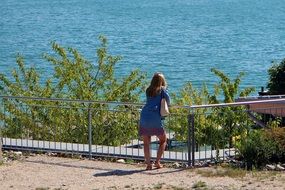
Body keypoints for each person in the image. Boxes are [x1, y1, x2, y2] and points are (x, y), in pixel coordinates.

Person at [139, 72, 170, 170]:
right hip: (155, 117)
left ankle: (148, 165)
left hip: (144, 116)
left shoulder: (148, 90)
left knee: (146, 142)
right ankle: (157, 162)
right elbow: (168, 101)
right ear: (162, 81)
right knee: (163, 140)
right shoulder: (162, 90)